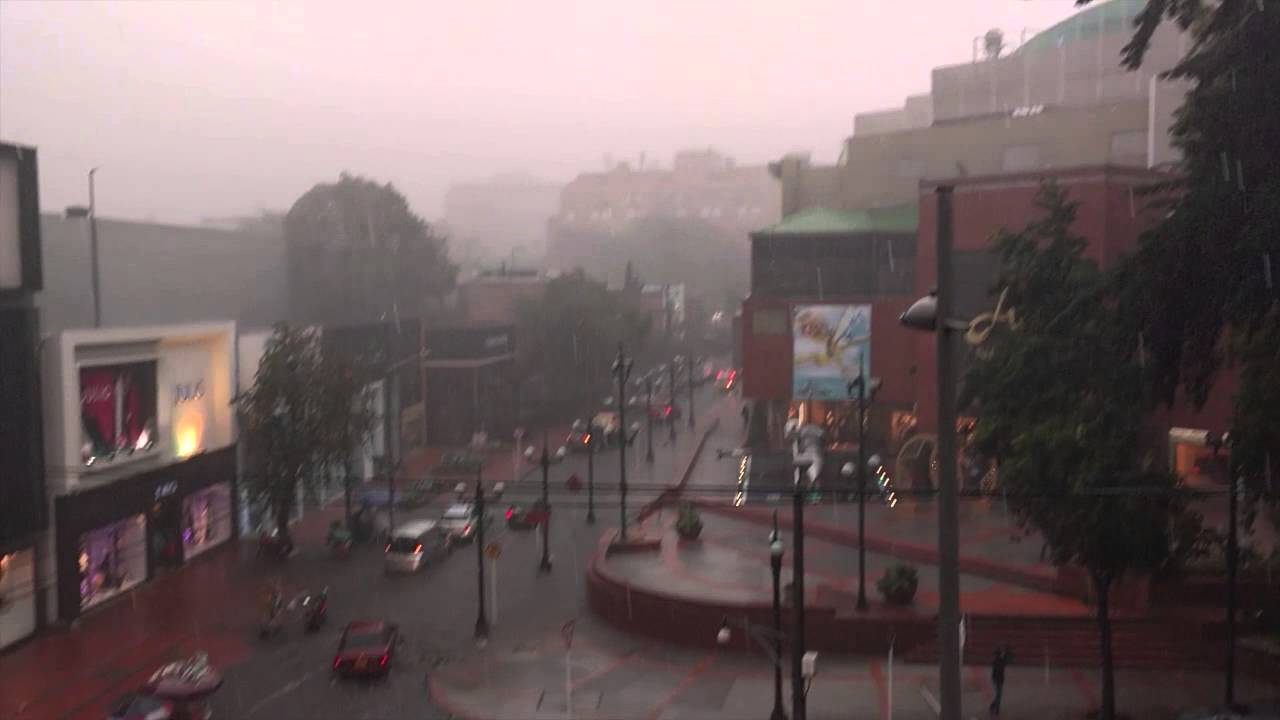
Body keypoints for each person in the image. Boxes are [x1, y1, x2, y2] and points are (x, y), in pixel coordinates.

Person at [990, 645, 1011, 716]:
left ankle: (994, 707)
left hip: (997, 679)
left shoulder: (999, 660)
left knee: (998, 695)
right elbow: (1007, 658)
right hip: (997, 679)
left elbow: (1008, 657)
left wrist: (1005, 652)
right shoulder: (999, 661)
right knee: (998, 695)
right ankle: (995, 708)